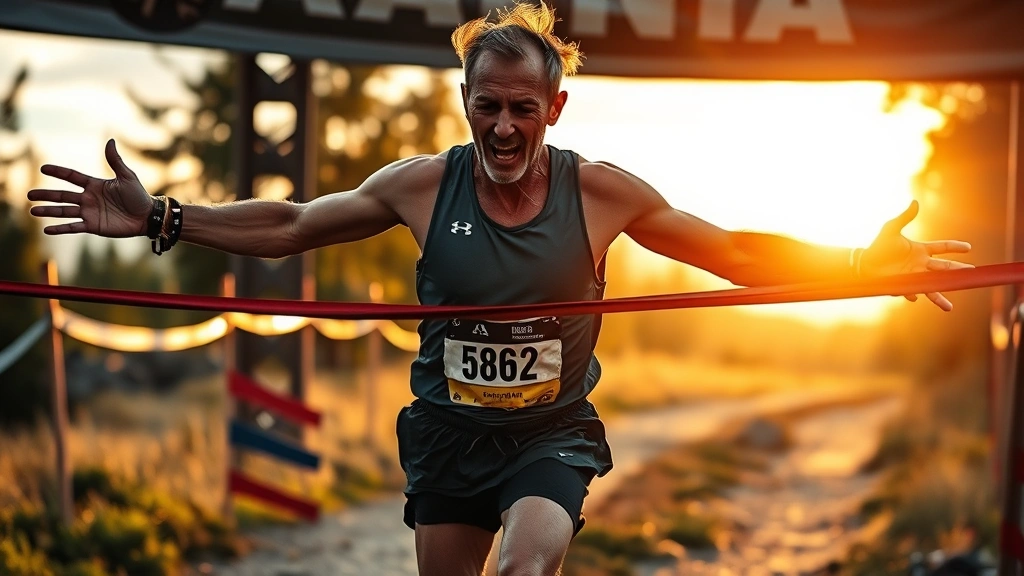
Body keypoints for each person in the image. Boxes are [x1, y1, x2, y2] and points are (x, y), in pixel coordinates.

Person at [27, 4, 971, 575]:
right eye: (489, 105)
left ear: (554, 108)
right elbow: (295, 225)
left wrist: (856, 264)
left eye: (524, 108)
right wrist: (164, 218)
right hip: (447, 436)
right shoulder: (419, 186)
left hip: (548, 436)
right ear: (465, 101)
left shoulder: (599, 191)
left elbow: (727, 250)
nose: (505, 125)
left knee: (522, 567)